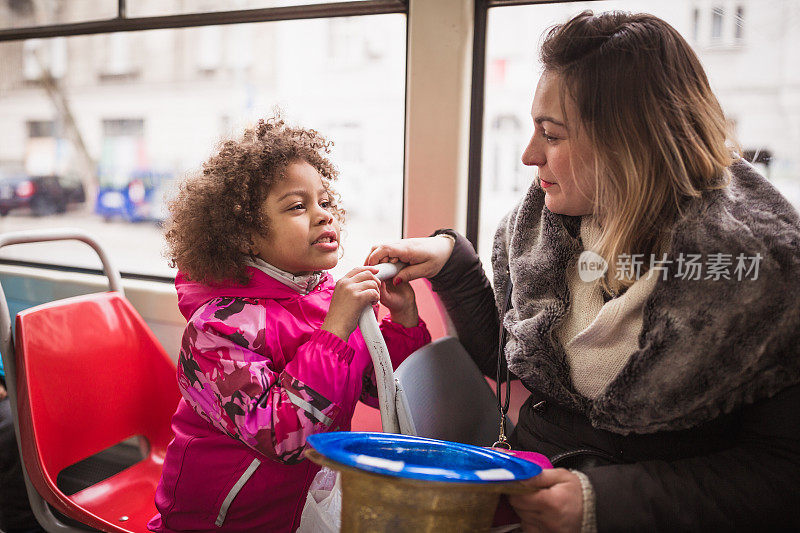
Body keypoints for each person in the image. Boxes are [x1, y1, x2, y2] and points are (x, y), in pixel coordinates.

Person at [367, 10, 800, 532]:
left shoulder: (762, 272)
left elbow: (781, 474)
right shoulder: (548, 225)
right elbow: (520, 361)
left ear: (629, 143)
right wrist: (454, 267)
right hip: (533, 490)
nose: (529, 155)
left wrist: (601, 503)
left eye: (551, 135)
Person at [148, 117, 431, 532]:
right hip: (221, 521)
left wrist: (403, 322)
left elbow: (376, 390)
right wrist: (334, 331)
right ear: (245, 236)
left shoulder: (325, 300)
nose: (323, 216)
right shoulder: (214, 331)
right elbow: (282, 438)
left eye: (325, 201)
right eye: (298, 206)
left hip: (300, 513)